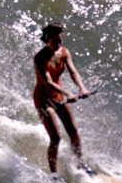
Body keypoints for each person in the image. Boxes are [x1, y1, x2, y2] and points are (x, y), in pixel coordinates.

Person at [33, 24, 90, 174]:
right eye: (55, 39)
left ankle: (80, 164)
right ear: (47, 39)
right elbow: (48, 82)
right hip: (44, 99)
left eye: (60, 38)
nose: (59, 42)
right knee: (56, 137)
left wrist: (82, 88)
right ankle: (54, 174)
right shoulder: (40, 57)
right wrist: (68, 94)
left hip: (57, 95)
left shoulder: (64, 52)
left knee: (73, 131)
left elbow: (73, 72)